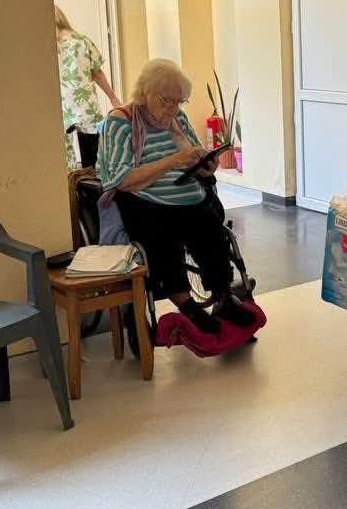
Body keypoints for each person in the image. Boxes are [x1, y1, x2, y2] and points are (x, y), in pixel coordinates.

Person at [97, 58, 251, 334]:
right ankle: (187, 306)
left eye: (179, 102)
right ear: (145, 92)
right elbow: (121, 179)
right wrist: (173, 161)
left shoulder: (177, 118)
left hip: (188, 196)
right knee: (161, 236)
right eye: (167, 101)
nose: (173, 109)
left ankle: (223, 297)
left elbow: (194, 153)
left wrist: (206, 165)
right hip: (145, 199)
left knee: (211, 229)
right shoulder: (121, 121)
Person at [55, 6, 121, 170]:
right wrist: (112, 97)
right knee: (92, 158)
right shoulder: (82, 41)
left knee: (64, 163)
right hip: (85, 105)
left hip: (60, 106)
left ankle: (71, 184)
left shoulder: (46, 45)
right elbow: (97, 73)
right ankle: (92, 182)